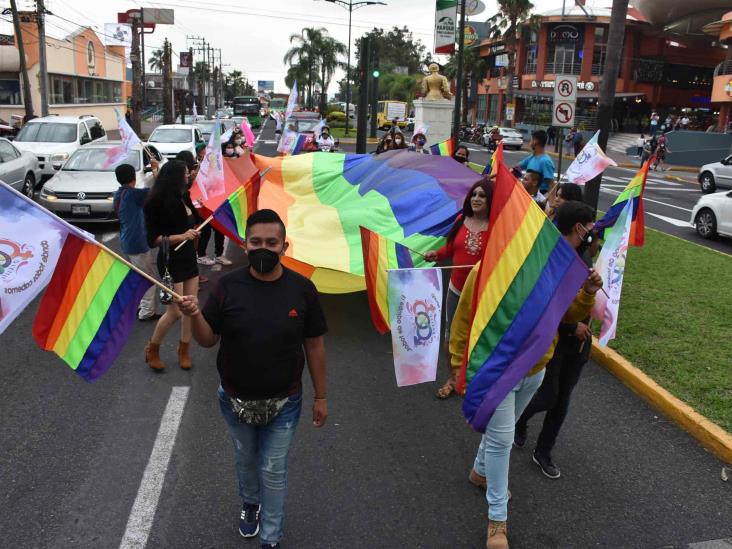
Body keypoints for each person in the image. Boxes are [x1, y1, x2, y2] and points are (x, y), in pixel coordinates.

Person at [449, 200, 603, 549]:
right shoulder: (488, 269)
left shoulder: (556, 271)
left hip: (535, 369)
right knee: (503, 441)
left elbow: (566, 315)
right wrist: (458, 362)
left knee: (499, 434)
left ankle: (479, 472)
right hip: (497, 370)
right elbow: (461, 321)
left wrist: (589, 293)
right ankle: (497, 522)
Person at [177, 208, 328, 549]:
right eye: (256, 241)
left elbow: (315, 344)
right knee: (246, 461)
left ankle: (270, 538)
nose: (263, 248)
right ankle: (250, 504)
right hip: (234, 399)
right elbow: (207, 339)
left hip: (285, 402)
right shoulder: (226, 287)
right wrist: (196, 314)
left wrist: (321, 395)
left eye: (271, 242)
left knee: (273, 470)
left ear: (284, 247)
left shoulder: (302, 290)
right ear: (244, 246)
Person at [514, 201, 600, 481]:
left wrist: (590, 292)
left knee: (562, 401)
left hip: (578, 344)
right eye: (590, 228)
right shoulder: (548, 257)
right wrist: (571, 324)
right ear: (578, 227)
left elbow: (580, 301)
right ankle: (518, 419)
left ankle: (544, 452)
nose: (593, 233)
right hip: (555, 341)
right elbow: (545, 304)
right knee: (548, 396)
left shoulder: (585, 256)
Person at [423, 179, 492, 399]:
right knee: (450, 337)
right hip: (456, 291)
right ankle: (452, 379)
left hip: (481, 294)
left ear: (490, 200)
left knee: (476, 339)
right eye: (474, 195)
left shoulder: (498, 227)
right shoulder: (462, 220)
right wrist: (438, 254)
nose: (476, 199)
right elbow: (452, 247)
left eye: (482, 195)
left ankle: (472, 379)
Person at [143, 160, 200, 370]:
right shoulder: (154, 203)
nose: (189, 176)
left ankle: (184, 350)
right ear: (176, 176)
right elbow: (154, 239)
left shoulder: (183, 196)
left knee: (190, 307)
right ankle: (153, 348)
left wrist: (194, 231)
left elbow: (193, 219)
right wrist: (182, 236)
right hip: (170, 260)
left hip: (188, 257)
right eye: (186, 174)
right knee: (175, 311)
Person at [113, 162, 160, 321]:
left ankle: (139, 306)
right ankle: (146, 312)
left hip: (126, 241)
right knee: (148, 278)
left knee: (136, 276)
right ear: (133, 177)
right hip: (137, 243)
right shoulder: (134, 195)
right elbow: (158, 189)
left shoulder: (118, 194)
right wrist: (155, 169)